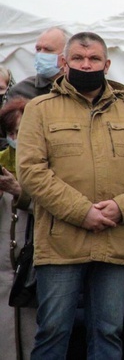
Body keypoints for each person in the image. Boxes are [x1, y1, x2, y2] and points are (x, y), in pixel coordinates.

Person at [16, 31, 124, 359]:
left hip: (116, 239)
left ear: (107, 64)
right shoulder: (40, 109)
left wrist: (122, 208)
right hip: (60, 243)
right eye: (79, 59)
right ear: (65, 63)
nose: (87, 64)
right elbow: (31, 171)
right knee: (53, 332)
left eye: (94, 58)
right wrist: (82, 211)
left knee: (109, 332)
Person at [0, 98, 35, 360]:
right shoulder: (1, 161)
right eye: (10, 133)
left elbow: (57, 206)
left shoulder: (43, 167)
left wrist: (18, 191)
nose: (15, 139)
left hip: (34, 271)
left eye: (20, 133)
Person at [7, 27, 67, 101]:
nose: (41, 54)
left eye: (48, 50)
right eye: (38, 49)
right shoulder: (21, 91)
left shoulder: (78, 87)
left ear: (65, 56)